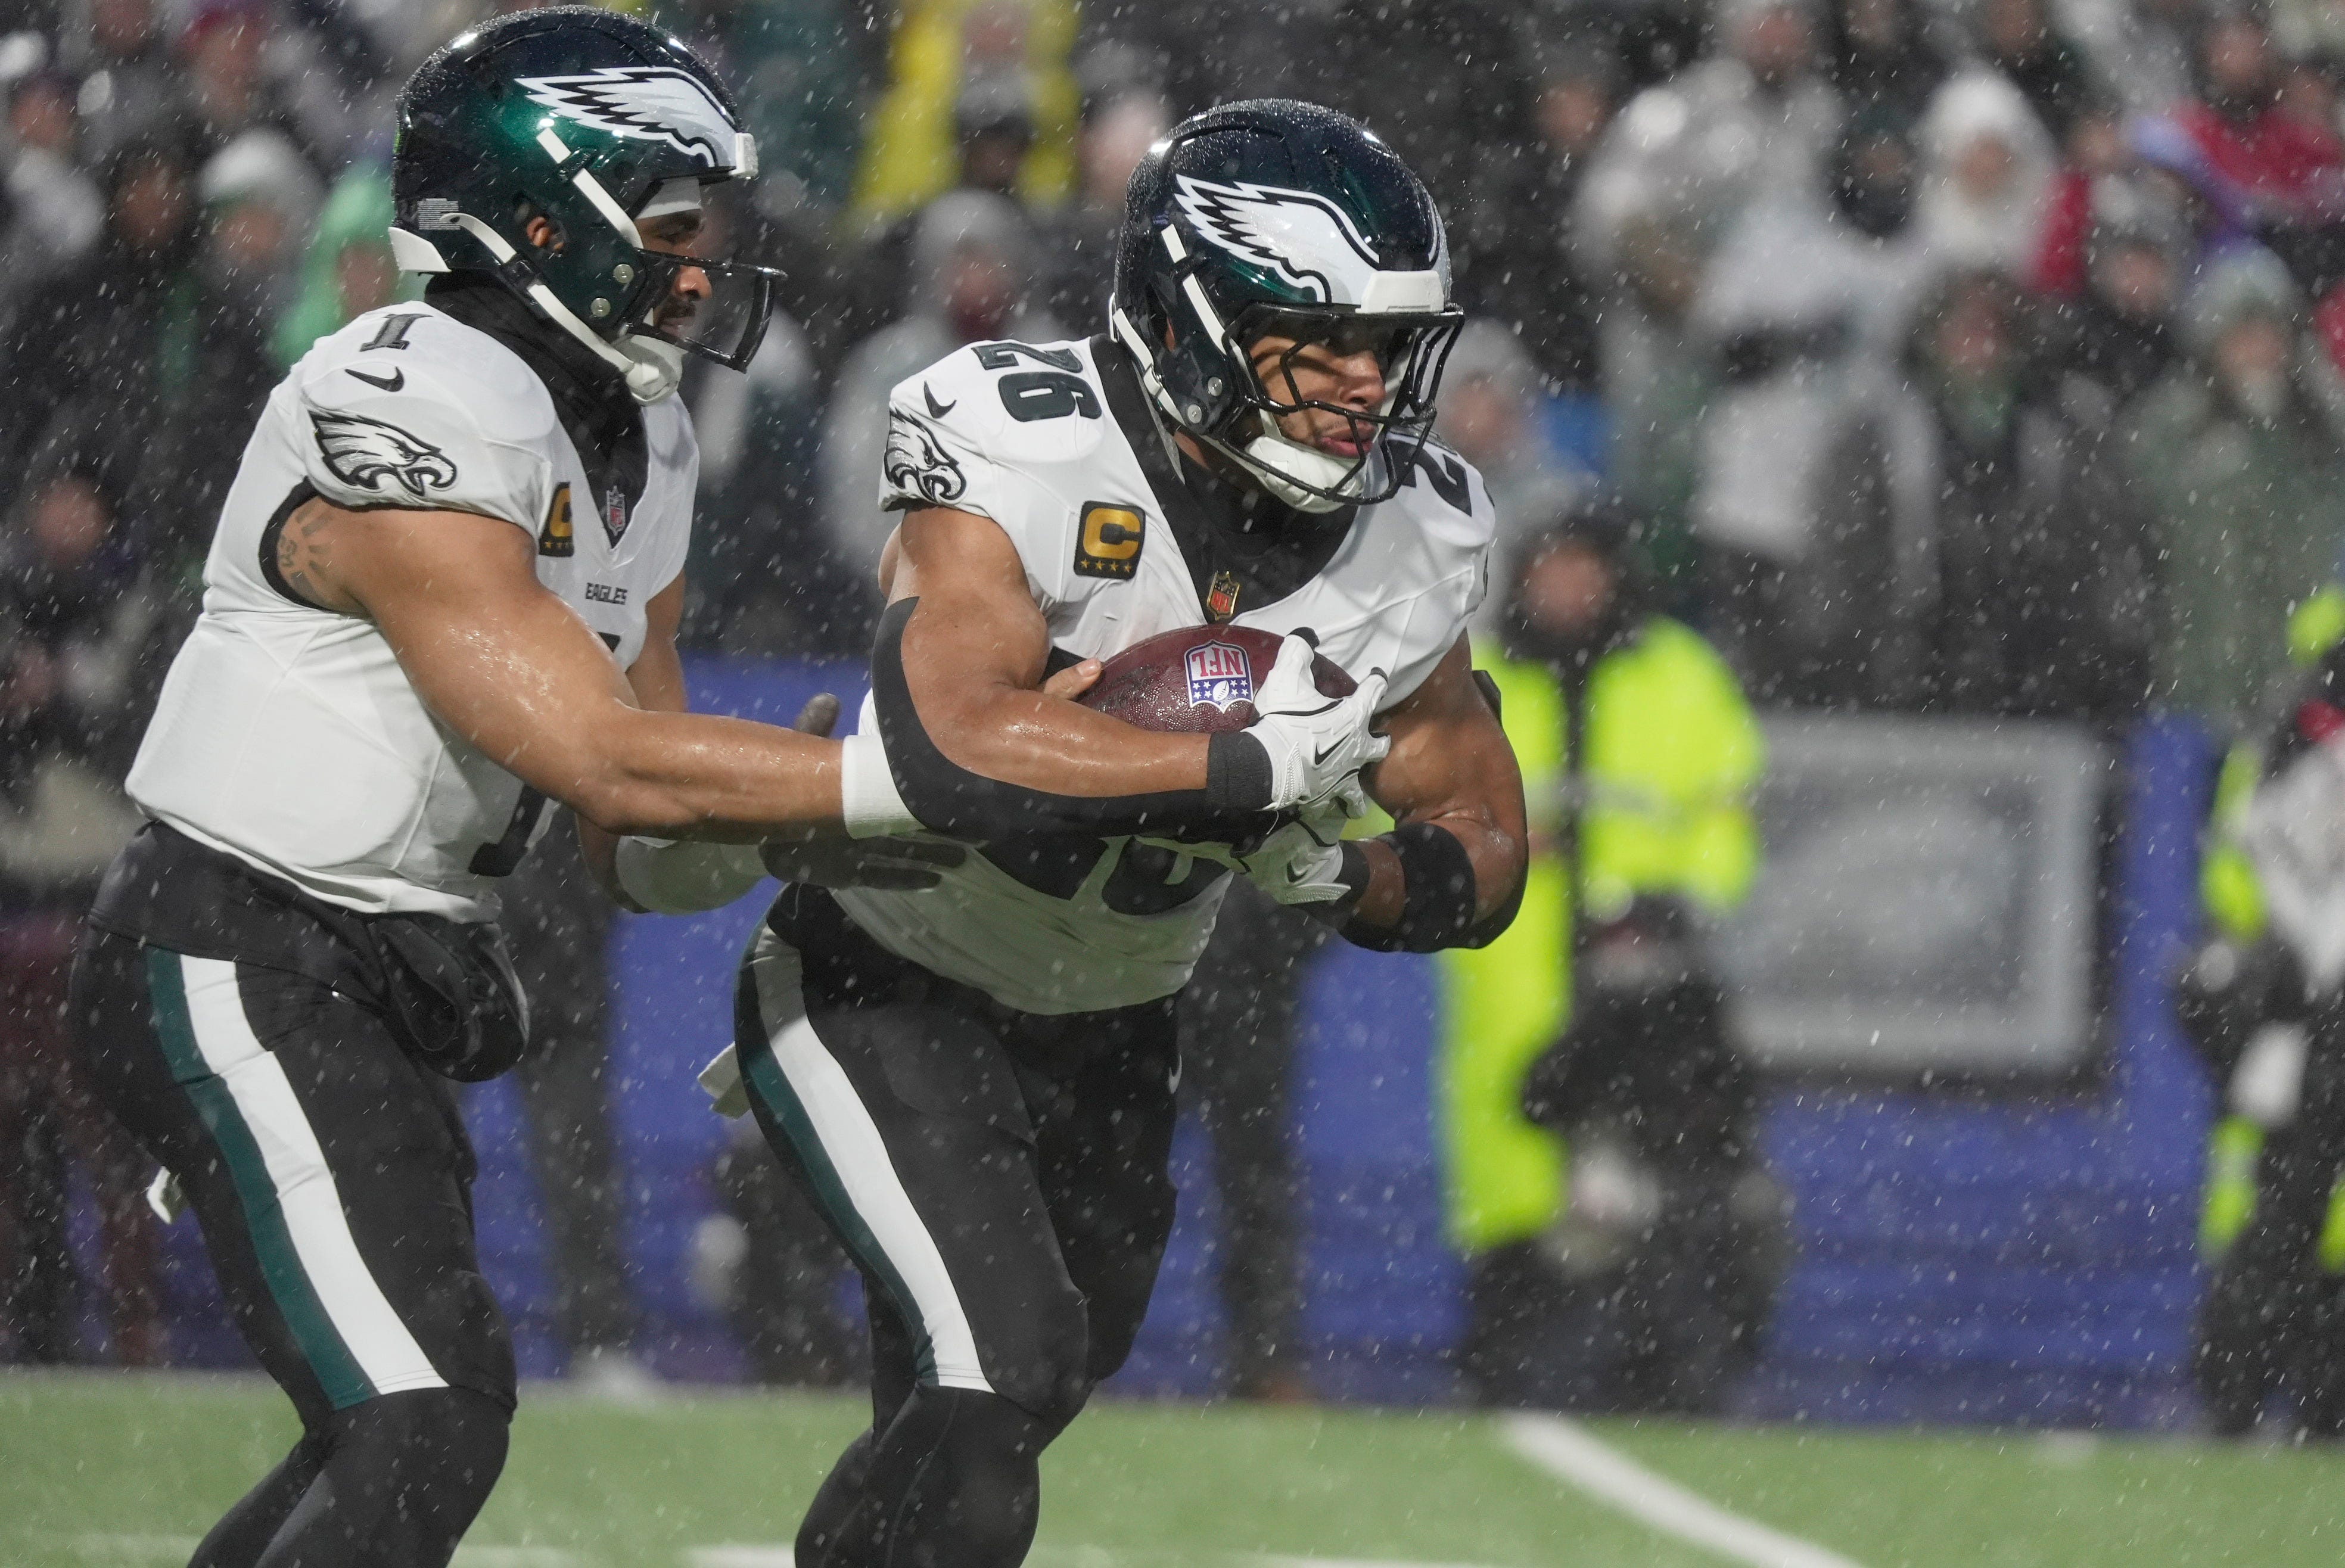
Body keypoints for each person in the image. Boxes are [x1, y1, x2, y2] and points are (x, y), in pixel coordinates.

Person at [59, 12, 1005, 1566]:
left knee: (427, 1414)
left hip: (377, 963)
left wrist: (785, 829)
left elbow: (633, 833)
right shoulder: (406, 389)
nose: (708, 260)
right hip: (228, 942)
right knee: (417, 1415)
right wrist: (904, 780)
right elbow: (597, 753)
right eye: (674, 220)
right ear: (542, 217)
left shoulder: (643, 430)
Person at [723, 100, 1525, 1568]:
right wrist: (1236, 767)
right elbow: (945, 738)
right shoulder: (1023, 440)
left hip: (1113, 1019)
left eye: (1388, 346)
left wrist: (1344, 872)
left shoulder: (1411, 530)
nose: (1368, 385)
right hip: (888, 976)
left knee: (998, 1421)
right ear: (1200, 319)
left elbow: (1485, 839)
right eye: (1325, 341)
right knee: (999, 1368)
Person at [1434, 504, 1761, 1410]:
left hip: (1644, 973)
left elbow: (1728, 812)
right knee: (1512, 1167)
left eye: (1585, 568)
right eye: (1552, 567)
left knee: (1651, 1164)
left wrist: (1675, 903)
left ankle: (1655, 1370)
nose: (1569, 587)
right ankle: (1510, 1369)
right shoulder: (1477, 679)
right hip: (1513, 964)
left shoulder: (1680, 676)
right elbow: (1419, 808)